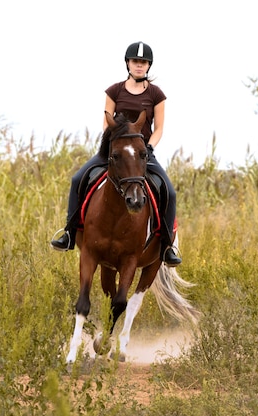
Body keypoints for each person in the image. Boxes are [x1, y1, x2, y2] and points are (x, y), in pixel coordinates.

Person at [51, 41, 181, 266]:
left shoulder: (156, 94)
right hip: (114, 152)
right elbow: (106, 122)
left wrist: (148, 148)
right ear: (128, 63)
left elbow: (159, 127)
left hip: (142, 154)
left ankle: (166, 246)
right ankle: (69, 233)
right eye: (135, 61)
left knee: (169, 191)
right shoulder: (114, 90)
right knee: (77, 179)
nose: (139, 66)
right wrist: (116, 147)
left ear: (148, 65)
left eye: (143, 62)